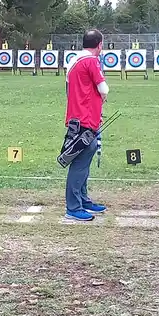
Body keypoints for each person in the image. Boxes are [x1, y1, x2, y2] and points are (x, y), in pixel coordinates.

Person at [62, 29, 108, 221]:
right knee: (80, 164)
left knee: (84, 161)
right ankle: (73, 207)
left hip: (80, 118)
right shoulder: (91, 60)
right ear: (99, 45)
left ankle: (83, 200)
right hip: (85, 121)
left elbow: (74, 91)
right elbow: (103, 88)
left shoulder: (73, 60)